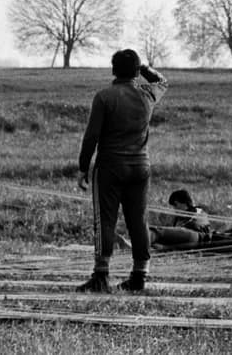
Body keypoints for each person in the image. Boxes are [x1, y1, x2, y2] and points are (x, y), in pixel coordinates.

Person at [76, 49, 168, 293]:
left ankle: (101, 275)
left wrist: (83, 167)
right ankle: (140, 275)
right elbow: (162, 82)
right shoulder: (148, 94)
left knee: (104, 221)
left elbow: (92, 136)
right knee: (138, 220)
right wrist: (145, 69)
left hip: (110, 167)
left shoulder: (104, 96)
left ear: (113, 69)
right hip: (140, 166)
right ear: (136, 72)